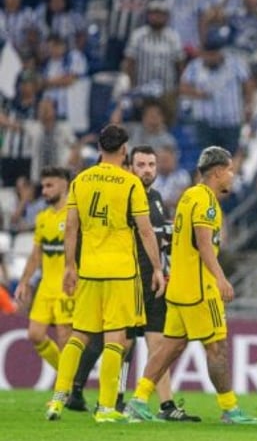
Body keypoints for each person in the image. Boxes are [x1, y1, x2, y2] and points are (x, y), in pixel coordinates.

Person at [124, 146, 257, 425]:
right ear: (218, 172)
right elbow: (203, 242)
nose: (232, 176)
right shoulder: (207, 201)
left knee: (170, 347)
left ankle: (138, 399)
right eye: (230, 170)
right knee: (217, 347)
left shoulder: (188, 196)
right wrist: (221, 278)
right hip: (200, 290)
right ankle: (230, 408)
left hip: (179, 288)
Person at [67, 146, 201, 419]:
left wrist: (163, 269)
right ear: (129, 167)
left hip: (153, 280)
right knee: (121, 343)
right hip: (126, 278)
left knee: (158, 344)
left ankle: (165, 406)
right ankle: (109, 399)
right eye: (141, 164)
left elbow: (160, 239)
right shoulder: (124, 195)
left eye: (151, 164)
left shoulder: (157, 198)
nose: (148, 169)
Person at [45, 125, 165, 423]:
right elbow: (146, 230)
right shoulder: (130, 184)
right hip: (121, 271)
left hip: (89, 269)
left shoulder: (81, 181)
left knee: (79, 335)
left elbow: (71, 227)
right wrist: (158, 268)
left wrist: (70, 266)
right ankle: (106, 407)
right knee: (116, 339)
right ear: (124, 150)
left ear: (99, 148)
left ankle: (57, 400)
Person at [14, 167, 72, 371]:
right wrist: (24, 281)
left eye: (50, 185)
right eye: (43, 186)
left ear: (64, 185)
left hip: (67, 287)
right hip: (46, 286)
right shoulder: (43, 217)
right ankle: (69, 380)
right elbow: (36, 255)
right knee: (35, 334)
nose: (44, 191)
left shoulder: (74, 216)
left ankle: (65, 389)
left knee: (66, 337)